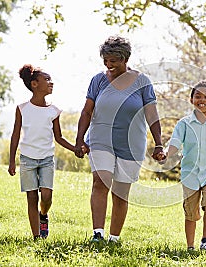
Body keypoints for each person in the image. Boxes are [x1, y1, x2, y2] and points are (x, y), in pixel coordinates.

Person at [74, 35, 165, 243]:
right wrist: (80, 139)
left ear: (125, 59)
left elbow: (152, 115)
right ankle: (98, 234)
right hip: (100, 139)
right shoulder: (98, 80)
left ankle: (114, 238)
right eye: (105, 61)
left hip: (131, 144)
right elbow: (87, 112)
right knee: (100, 182)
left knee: (121, 192)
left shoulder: (142, 82)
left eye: (113, 60)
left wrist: (158, 143)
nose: (108, 65)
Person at [8, 64, 76, 240]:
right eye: (47, 79)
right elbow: (15, 135)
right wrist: (11, 161)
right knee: (31, 197)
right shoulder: (22, 108)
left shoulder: (54, 110)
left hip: (46, 159)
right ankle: (37, 236)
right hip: (27, 160)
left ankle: (43, 215)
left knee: (46, 197)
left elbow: (59, 137)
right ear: (34, 84)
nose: (51, 82)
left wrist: (75, 148)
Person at [161, 80, 206, 253]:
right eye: (198, 96)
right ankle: (190, 246)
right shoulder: (184, 123)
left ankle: (205, 240)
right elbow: (175, 143)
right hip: (190, 173)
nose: (202, 100)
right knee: (191, 212)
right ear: (191, 100)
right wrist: (166, 153)